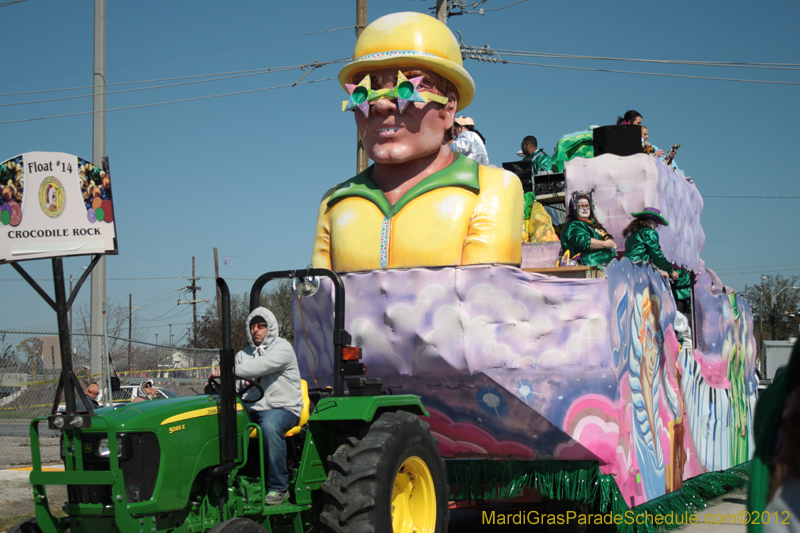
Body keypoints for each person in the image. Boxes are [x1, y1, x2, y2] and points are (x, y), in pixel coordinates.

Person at [311, 12, 522, 273]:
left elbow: (486, 301)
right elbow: (318, 304)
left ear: (449, 108)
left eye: (406, 89)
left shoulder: (491, 190)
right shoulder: (335, 202)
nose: (381, 105)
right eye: (365, 92)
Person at [212, 308, 303, 505]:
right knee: (218, 423)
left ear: (270, 328)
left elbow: (262, 365)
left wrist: (228, 370)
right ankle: (223, 481)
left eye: (261, 326)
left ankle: (279, 487)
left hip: (282, 408)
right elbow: (235, 387)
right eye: (253, 326)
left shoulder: (282, 348)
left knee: (269, 427)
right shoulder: (243, 355)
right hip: (251, 410)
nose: (256, 330)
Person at [559, 191, 617, 267]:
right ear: (574, 208)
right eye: (581, 206)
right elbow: (584, 242)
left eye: (587, 206)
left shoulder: (592, 224)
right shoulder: (573, 225)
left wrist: (611, 244)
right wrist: (605, 244)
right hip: (585, 269)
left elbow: (604, 238)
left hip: (601, 266)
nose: (585, 209)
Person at [622, 208, 680, 281]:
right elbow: (656, 255)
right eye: (656, 222)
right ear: (649, 221)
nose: (657, 226)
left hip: (625, 267)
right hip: (638, 269)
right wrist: (671, 270)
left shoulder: (634, 233)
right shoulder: (650, 232)